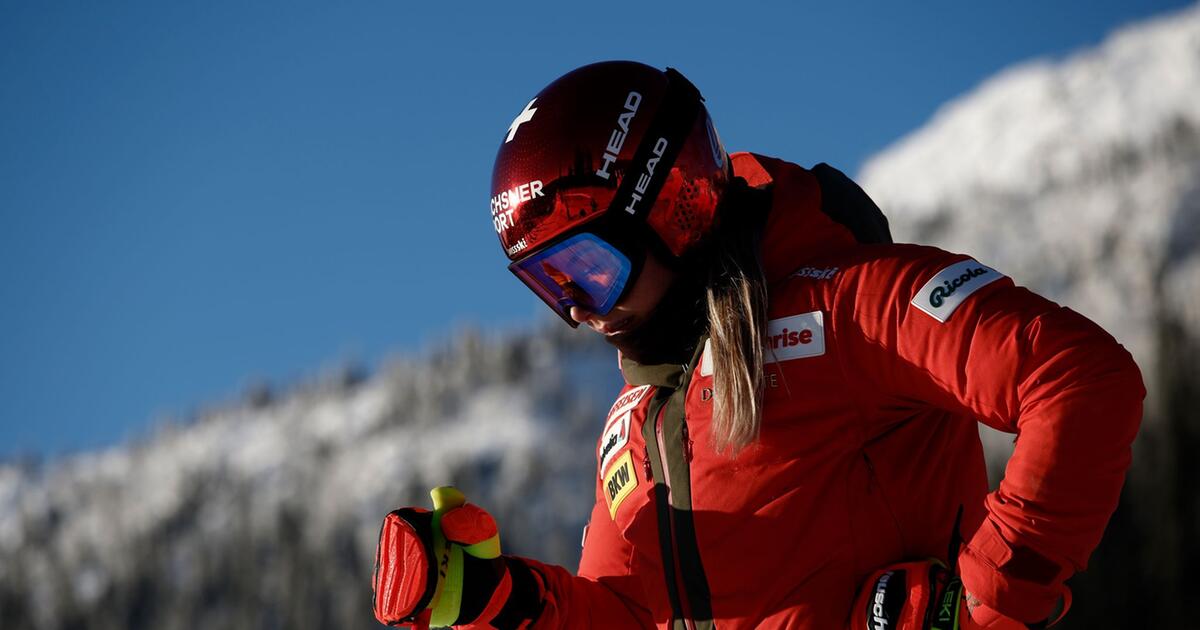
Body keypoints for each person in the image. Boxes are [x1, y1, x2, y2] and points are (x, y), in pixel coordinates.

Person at [371, 61, 1144, 630]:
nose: (578, 311)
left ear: (671, 209)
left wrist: (988, 604)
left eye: (588, 270)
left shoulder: (844, 304)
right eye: (549, 285)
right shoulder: (631, 431)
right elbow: (626, 615)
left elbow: (1080, 380)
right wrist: (494, 602)